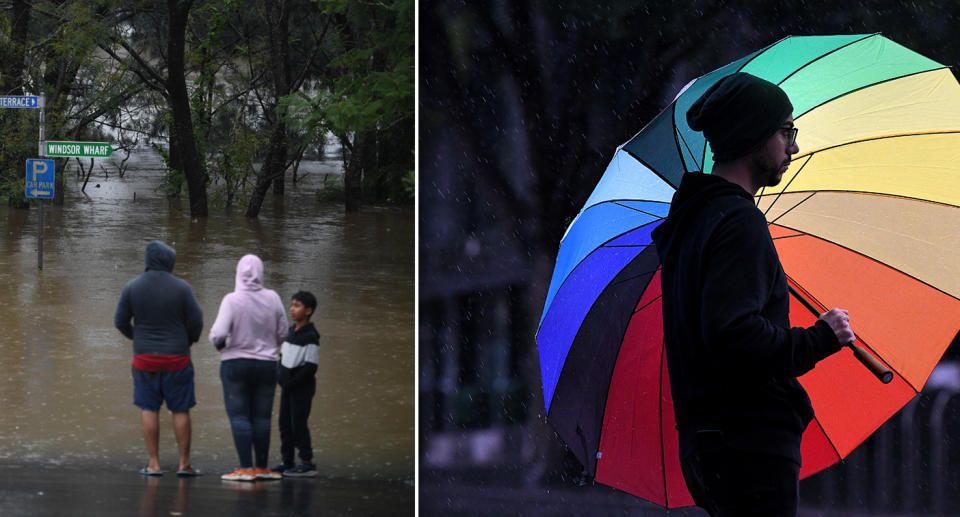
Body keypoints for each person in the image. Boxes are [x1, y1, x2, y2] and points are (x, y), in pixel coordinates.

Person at [650, 72, 856, 517]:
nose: (793, 148)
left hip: (708, 445)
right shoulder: (737, 222)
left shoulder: (694, 222)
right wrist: (820, 338)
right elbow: (734, 335)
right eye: (786, 132)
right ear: (754, 135)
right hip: (750, 447)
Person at [114, 240, 203, 477]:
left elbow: (120, 322)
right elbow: (197, 320)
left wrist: (137, 338)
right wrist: (188, 340)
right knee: (181, 409)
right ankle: (184, 464)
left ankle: (154, 464)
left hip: (145, 360)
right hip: (178, 359)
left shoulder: (132, 287)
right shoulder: (182, 288)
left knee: (149, 409)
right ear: (168, 262)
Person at [209, 254, 288, 482]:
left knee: (240, 416)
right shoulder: (273, 298)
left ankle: (245, 469)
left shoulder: (232, 300)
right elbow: (283, 332)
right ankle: (263, 468)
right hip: (267, 364)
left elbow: (220, 333)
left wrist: (218, 344)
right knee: (262, 418)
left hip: (235, 364)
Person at [271, 290, 321, 477]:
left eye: (297, 306)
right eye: (292, 305)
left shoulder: (311, 336)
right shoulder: (291, 332)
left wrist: (291, 382)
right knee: (284, 423)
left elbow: (311, 366)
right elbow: (282, 357)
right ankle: (287, 461)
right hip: (287, 387)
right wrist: (280, 377)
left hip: (301, 388)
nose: (292, 309)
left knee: (298, 424)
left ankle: (307, 463)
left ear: (308, 311)